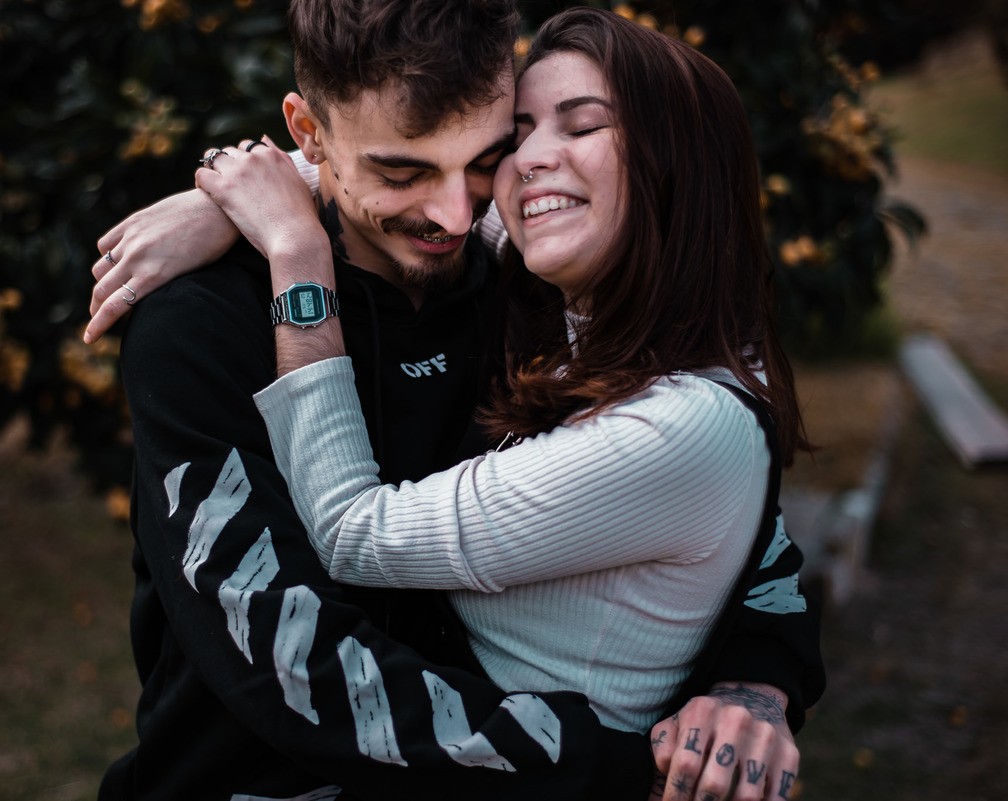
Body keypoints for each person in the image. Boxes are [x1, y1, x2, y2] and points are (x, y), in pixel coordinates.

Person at [91, 2, 824, 800]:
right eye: (402, 172)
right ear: (308, 134)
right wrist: (613, 768)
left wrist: (756, 680)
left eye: (484, 158)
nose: (452, 213)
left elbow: (732, 514)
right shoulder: (200, 319)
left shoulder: (526, 284)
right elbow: (286, 656)